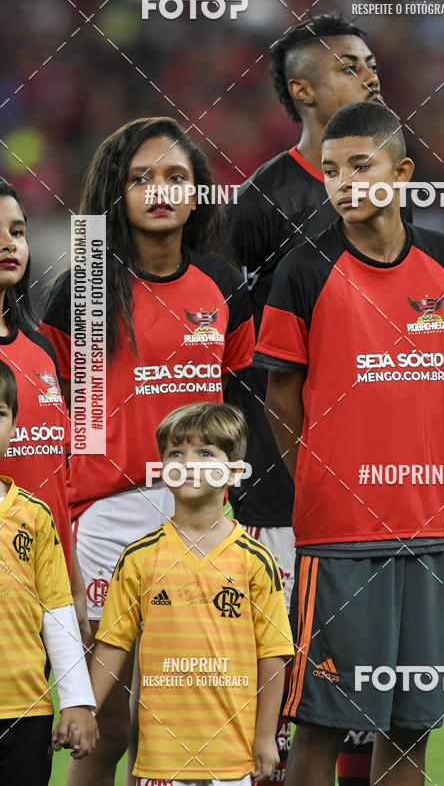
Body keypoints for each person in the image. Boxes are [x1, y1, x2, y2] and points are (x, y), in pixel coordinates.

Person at [255, 100, 444, 785]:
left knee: (411, 726)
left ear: (402, 173)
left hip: (426, 533)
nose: (345, 183)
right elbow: (281, 398)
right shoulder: (304, 269)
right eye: (331, 171)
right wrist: (320, 480)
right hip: (339, 537)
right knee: (323, 724)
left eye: (361, 166)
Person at [39, 117, 255, 785]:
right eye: (141, 178)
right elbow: (52, 415)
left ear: (197, 193)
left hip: (200, 518)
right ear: (117, 191)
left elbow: (241, 407)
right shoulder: (81, 290)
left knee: (175, 719)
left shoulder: (225, 284)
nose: (160, 191)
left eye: (175, 177)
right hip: (106, 520)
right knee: (109, 727)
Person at [225, 11, 410, 785]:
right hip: (282, 481)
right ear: (303, 91)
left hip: (372, 474)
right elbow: (231, 342)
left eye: (370, 62)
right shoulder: (262, 201)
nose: (370, 74)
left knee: (368, 681)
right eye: (348, 66)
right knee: (284, 677)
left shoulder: (392, 189)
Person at [90, 401, 294, 785]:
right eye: (175, 454)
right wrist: (84, 709)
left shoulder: (255, 560)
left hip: (231, 759)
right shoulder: (139, 557)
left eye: (205, 453)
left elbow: (272, 655)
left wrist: (265, 736)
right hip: (160, 759)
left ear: (234, 470)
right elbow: (113, 643)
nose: (188, 463)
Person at [0, 360, 97, 785]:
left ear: (14, 425)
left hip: (26, 711)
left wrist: (76, 700)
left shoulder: (35, 516)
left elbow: (57, 611)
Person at [0, 177, 88, 638]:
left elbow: (57, 482)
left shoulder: (41, 349)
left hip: (52, 580)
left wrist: (73, 585)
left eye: (17, 231)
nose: (8, 244)